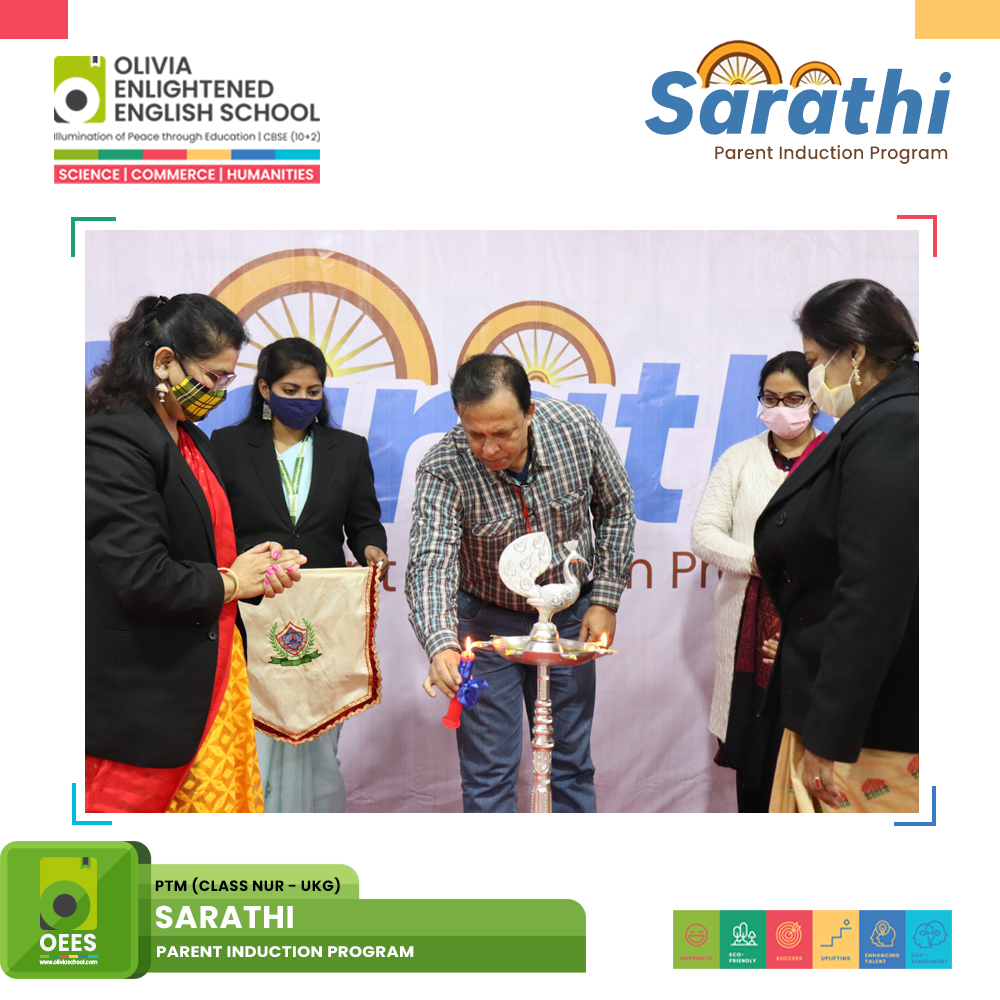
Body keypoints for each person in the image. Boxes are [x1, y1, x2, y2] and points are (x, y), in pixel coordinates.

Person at [86, 293, 306, 813]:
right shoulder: (113, 436)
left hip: (211, 677)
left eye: (229, 379)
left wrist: (254, 566)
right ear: (165, 361)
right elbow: (142, 576)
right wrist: (232, 582)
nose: (220, 393)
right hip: (146, 697)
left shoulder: (190, 438)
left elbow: (198, 546)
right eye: (213, 377)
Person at [405, 353, 635, 812]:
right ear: (459, 416)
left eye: (503, 433)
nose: (489, 449)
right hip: (485, 626)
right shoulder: (443, 466)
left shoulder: (577, 429)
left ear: (529, 412)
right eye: (476, 434)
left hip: (568, 620)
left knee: (569, 762)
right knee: (488, 771)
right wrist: (441, 644)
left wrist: (605, 598)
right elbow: (431, 562)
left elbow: (616, 508)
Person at [754, 279, 919, 813]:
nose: (811, 379)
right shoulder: (874, 419)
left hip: (873, 732)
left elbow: (872, 595)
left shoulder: (896, 423)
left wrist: (830, 734)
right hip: (839, 704)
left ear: (855, 353)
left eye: (813, 361)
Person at [212, 338, 388, 813]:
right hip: (252, 607)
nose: (304, 400)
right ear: (264, 389)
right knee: (254, 728)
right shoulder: (226, 445)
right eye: (291, 389)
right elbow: (216, 525)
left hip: (322, 611)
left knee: (320, 723)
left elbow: (365, 522)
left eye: (314, 391)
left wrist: (372, 548)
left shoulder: (348, 449)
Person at [692, 352, 825, 812]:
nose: (781, 408)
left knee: (808, 755)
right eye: (771, 398)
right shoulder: (739, 459)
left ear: (815, 400)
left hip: (812, 620)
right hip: (745, 626)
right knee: (754, 759)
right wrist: (754, 561)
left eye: (794, 398)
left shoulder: (836, 455)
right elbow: (704, 532)